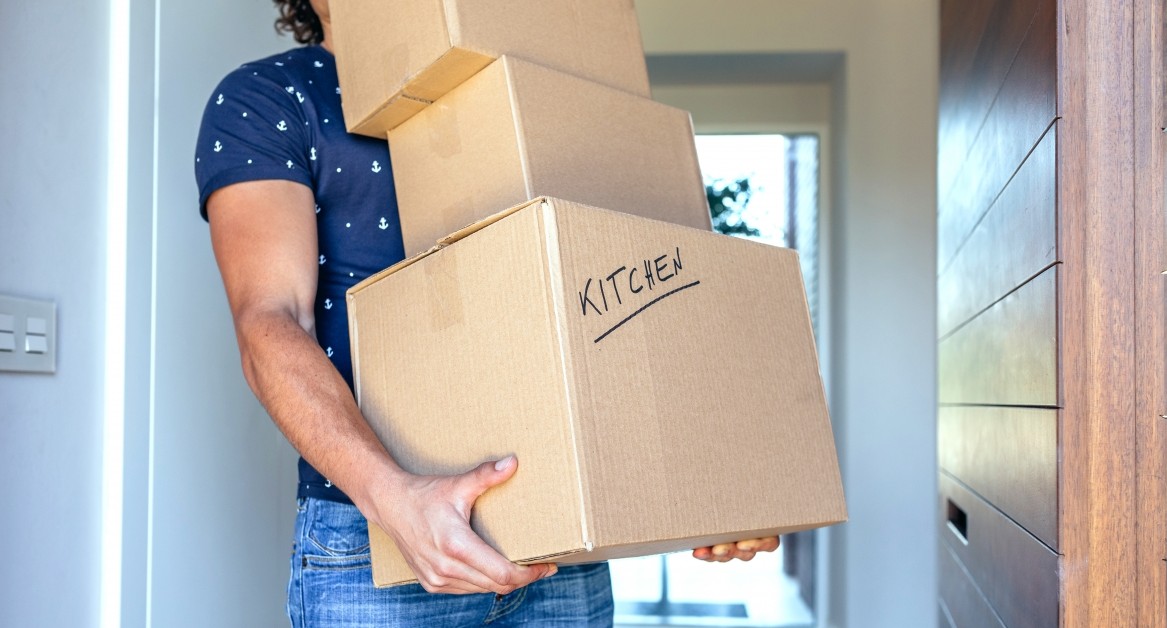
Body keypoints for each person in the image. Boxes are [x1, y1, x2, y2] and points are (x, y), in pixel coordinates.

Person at [195, 0, 780, 624]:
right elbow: (270, 321)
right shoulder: (270, 96)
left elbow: (622, 291)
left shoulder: (525, 83)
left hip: (555, 534)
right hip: (379, 540)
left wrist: (713, 473)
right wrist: (395, 499)